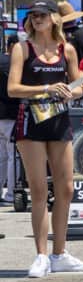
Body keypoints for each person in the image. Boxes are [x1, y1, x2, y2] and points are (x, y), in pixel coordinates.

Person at [7, 1, 83, 277]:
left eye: (42, 15)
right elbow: (13, 89)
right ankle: (41, 254)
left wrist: (73, 91)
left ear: (54, 19)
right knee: (39, 189)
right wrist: (45, 87)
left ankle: (59, 252)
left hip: (59, 119)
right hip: (31, 120)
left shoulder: (66, 49)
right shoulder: (22, 48)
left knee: (66, 188)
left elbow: (79, 85)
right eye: (33, 15)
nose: (37, 19)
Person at [0, 34, 20, 204]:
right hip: (11, 115)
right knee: (13, 155)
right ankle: (11, 195)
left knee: (2, 156)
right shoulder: (15, 64)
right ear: (13, 46)